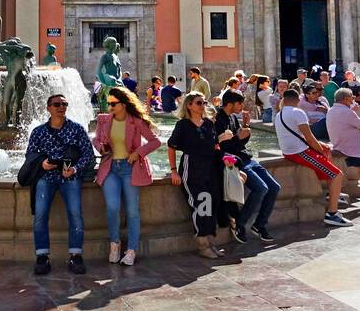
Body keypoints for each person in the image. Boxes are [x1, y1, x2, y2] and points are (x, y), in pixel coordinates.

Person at [93, 85, 161, 266]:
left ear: (123, 104)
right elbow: (96, 139)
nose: (110, 107)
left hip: (130, 168)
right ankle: (114, 243)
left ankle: (131, 250)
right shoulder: (104, 120)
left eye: (113, 104)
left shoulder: (136, 121)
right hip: (110, 168)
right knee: (113, 207)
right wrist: (102, 147)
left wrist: (138, 152)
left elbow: (155, 142)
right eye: (108, 104)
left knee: (132, 211)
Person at [27, 94, 93, 274]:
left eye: (64, 104)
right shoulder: (38, 131)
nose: (61, 107)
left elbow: (88, 154)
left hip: (69, 177)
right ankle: (42, 257)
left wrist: (75, 169)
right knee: (40, 215)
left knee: (75, 215)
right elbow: (30, 155)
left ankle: (76, 255)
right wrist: (42, 164)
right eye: (56, 104)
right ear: (48, 108)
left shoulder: (77, 129)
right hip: (46, 178)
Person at [274, 88, 350, 227]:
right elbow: (309, 138)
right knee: (337, 175)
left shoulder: (279, 114)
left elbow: (300, 136)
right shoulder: (298, 112)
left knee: (326, 152)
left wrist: (321, 147)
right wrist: (320, 148)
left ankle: (331, 193)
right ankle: (332, 214)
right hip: (299, 152)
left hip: (290, 151)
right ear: (297, 100)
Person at [167, 91, 227, 258]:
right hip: (191, 168)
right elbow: (171, 146)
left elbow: (214, 146)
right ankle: (202, 243)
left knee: (213, 200)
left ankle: (209, 240)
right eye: (199, 103)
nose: (203, 106)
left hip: (210, 168)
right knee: (202, 202)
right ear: (189, 105)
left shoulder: (208, 123)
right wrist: (173, 170)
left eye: (204, 103)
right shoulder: (183, 125)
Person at [216, 89, 281, 243]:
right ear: (230, 103)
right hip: (235, 161)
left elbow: (240, 141)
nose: (242, 106)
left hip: (247, 158)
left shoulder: (232, 117)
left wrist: (245, 127)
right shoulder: (217, 120)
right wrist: (239, 137)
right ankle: (240, 223)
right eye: (240, 103)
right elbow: (223, 147)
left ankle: (259, 225)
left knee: (274, 187)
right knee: (261, 188)